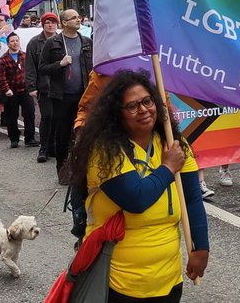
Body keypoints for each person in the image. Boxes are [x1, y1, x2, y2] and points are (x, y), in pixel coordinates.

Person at [66, 70, 209, 302]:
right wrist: (168, 168)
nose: (143, 110)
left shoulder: (173, 142)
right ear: (116, 114)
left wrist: (201, 248)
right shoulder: (104, 149)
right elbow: (136, 199)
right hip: (118, 282)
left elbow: (192, 197)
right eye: (132, 106)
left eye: (147, 101)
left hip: (168, 280)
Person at [40, 9, 92, 180]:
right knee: (62, 133)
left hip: (82, 94)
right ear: (64, 22)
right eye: (74, 18)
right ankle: (62, 169)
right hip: (62, 96)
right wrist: (60, 64)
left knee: (82, 131)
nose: (78, 20)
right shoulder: (53, 43)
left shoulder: (86, 42)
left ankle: (82, 168)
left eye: (79, 17)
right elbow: (42, 68)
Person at [26, 12, 59, 162]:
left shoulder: (62, 40)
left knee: (58, 117)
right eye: (47, 22)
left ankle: (54, 146)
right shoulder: (34, 43)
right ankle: (43, 148)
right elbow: (30, 66)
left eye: (53, 22)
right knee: (47, 116)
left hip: (61, 87)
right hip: (44, 86)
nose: (50, 25)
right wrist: (31, 86)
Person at [0, 32, 34, 148]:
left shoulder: (25, 56)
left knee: (29, 113)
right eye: (12, 41)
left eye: (16, 40)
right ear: (8, 44)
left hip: (26, 89)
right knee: (11, 116)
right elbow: (1, 76)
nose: (15, 43)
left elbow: (31, 72)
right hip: (11, 91)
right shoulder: (3, 59)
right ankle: (14, 138)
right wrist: (6, 89)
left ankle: (30, 138)